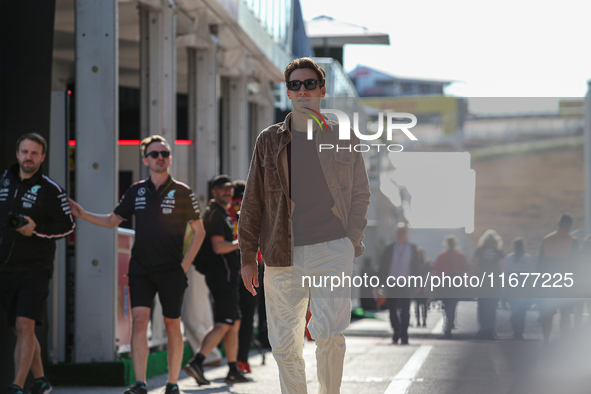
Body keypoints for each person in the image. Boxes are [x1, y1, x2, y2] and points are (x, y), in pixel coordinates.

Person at [238, 57, 371, 393]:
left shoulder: (343, 136)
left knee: (329, 334)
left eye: (309, 84)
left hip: (331, 246)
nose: (303, 90)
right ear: (287, 92)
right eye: (295, 85)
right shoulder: (269, 140)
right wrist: (246, 257)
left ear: (322, 90)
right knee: (284, 345)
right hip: (281, 252)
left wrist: (349, 240)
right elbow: (252, 201)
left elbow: (361, 193)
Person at [68, 135, 205, 394]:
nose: (160, 157)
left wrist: (183, 266)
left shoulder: (182, 191)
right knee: (139, 322)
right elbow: (112, 221)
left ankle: (173, 383)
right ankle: (140, 383)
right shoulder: (136, 190)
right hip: (141, 268)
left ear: (169, 158)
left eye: (164, 153)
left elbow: (199, 232)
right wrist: (83, 214)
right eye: (154, 154)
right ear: (145, 160)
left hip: (171, 269)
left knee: (171, 323)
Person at [0, 133, 75, 394]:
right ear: (17, 153)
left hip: (36, 267)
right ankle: (41, 380)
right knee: (21, 329)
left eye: (34, 153)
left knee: (24, 325)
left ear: (42, 157)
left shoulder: (51, 189)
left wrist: (37, 230)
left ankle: (17, 386)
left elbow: (68, 226)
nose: (28, 157)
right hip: (5, 267)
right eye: (24, 152)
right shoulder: (4, 181)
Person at [183, 175, 248, 385]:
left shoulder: (221, 214)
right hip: (222, 277)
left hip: (226, 276)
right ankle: (197, 362)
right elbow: (219, 247)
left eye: (229, 189)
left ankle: (232, 368)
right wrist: (242, 243)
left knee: (234, 322)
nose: (227, 192)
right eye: (222, 189)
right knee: (224, 323)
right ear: (213, 192)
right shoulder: (215, 215)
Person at [378, 223, 425, 345]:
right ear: (395, 233)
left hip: (406, 283)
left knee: (405, 310)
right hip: (392, 282)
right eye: (399, 232)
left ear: (406, 233)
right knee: (392, 309)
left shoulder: (412, 248)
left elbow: (416, 267)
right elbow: (383, 266)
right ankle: (396, 330)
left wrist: (418, 282)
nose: (401, 234)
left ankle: (404, 334)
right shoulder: (390, 248)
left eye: (403, 232)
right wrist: (378, 283)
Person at [537, 213, 579, 344]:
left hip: (549, 282)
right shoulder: (574, 241)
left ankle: (546, 340)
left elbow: (540, 265)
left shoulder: (546, 240)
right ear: (570, 226)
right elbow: (575, 265)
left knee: (548, 314)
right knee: (565, 314)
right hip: (566, 282)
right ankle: (564, 342)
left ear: (558, 224)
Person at [431, 235, 469, 338]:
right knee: (451, 303)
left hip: (447, 282)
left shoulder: (443, 255)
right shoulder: (459, 256)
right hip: (453, 283)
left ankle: (449, 323)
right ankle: (449, 322)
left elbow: (436, 270)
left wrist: (432, 283)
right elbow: (465, 271)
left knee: (448, 304)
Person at [471, 229, 504, 340]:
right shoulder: (498, 251)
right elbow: (501, 267)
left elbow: (475, 265)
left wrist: (470, 278)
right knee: (492, 305)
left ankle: (483, 329)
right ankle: (490, 329)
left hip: (482, 279)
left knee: (482, 304)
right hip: (494, 280)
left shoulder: (479, 250)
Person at [501, 238, 535, 340]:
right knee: (522, 310)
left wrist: (503, 288)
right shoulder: (528, 258)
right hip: (524, 285)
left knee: (514, 308)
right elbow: (532, 273)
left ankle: (516, 330)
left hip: (512, 285)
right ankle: (519, 332)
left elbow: (504, 272)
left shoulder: (509, 258)